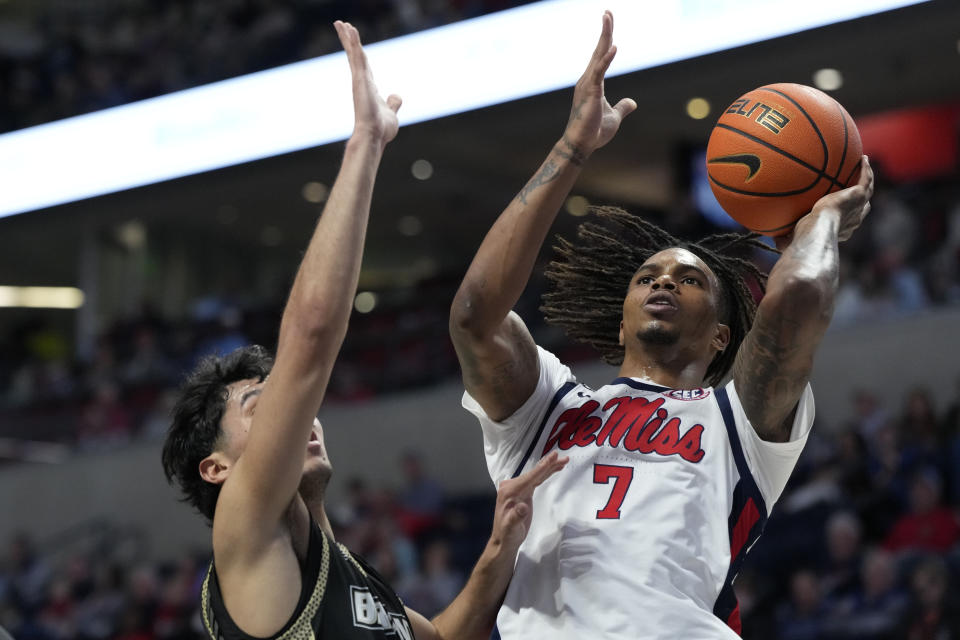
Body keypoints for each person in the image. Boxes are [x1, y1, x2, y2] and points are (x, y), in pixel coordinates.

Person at [448, 10, 874, 639]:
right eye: (646, 277)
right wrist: (571, 150)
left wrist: (822, 220)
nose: (664, 281)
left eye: (690, 278)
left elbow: (801, 295)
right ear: (621, 325)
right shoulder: (546, 412)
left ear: (723, 335)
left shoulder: (739, 421)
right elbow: (473, 318)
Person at [161, 21, 566, 640]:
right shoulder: (245, 530)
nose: (301, 411)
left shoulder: (346, 572)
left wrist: (500, 545)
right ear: (216, 468)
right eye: (259, 402)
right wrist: (366, 144)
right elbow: (312, 336)